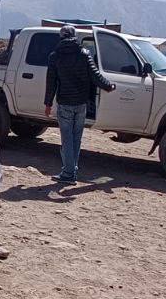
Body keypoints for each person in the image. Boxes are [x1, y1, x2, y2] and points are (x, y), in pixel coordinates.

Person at [43, 24, 115, 185]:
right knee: (76, 138)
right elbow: (95, 75)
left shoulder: (55, 56)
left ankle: (68, 173)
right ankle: (71, 171)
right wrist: (109, 86)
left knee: (67, 140)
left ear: (61, 37)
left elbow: (51, 82)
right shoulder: (84, 54)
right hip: (81, 103)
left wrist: (48, 104)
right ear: (74, 36)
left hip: (64, 103)